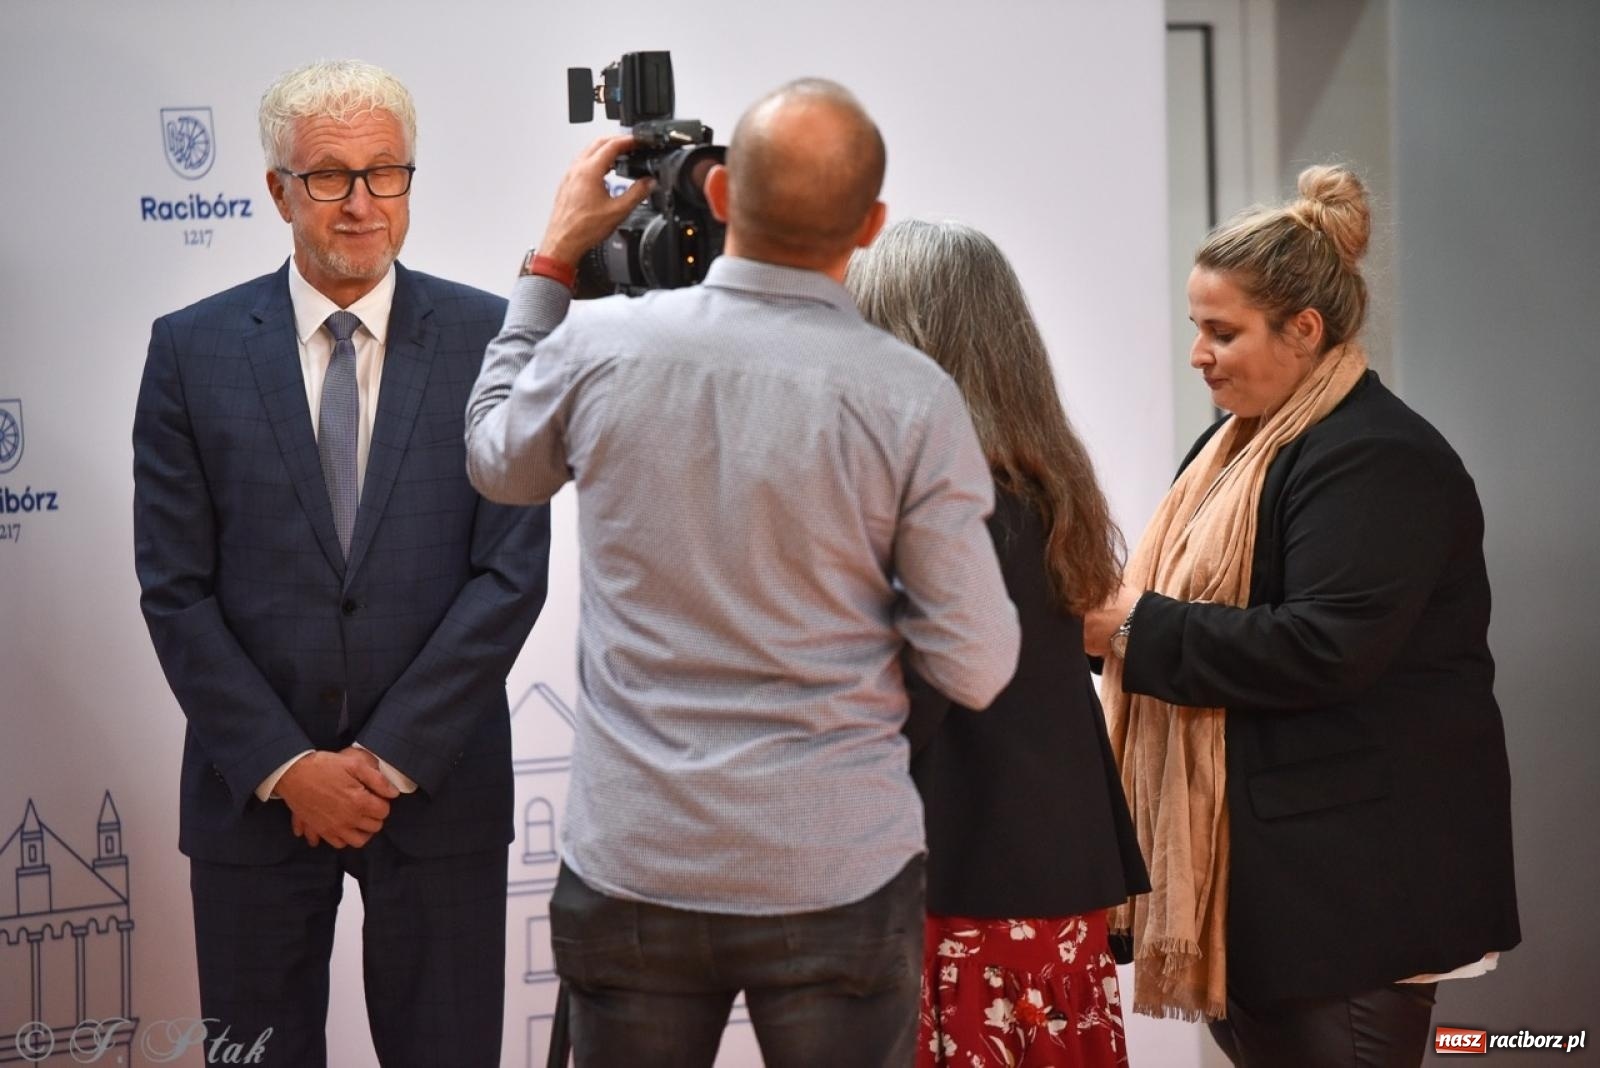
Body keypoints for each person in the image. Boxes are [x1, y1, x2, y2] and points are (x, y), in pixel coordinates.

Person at [464, 80, 1020, 1067]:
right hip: (836, 866)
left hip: (637, 860)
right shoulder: (911, 397)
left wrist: (550, 263)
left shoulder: (598, 348)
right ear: (873, 225)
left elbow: (496, 461)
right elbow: (975, 663)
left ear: (718, 196)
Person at [132, 60, 550, 1067]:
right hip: (257, 795)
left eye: (385, 173)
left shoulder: (491, 338)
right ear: (279, 189)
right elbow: (176, 588)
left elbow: (510, 572)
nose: (362, 205)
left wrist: (385, 757)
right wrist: (289, 768)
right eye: (330, 177)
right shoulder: (191, 351)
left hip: (439, 788)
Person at [1084, 165, 1520, 1065]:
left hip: (1350, 895)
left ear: (1305, 329)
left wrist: (1126, 627)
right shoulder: (1239, 442)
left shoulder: (1378, 456)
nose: (1198, 354)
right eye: (1196, 330)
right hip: (1271, 887)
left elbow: (1324, 649)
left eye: (1221, 332)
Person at [846, 219, 1150, 1068]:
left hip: (965, 886)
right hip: (1048, 875)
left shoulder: (948, 499)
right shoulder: (1044, 485)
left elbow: (909, 699)